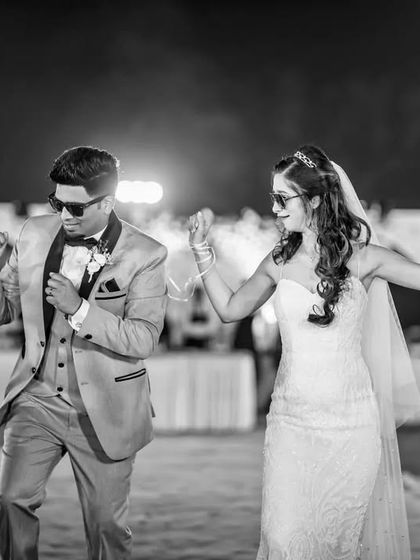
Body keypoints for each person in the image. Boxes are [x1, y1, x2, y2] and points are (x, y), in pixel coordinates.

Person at [188, 145, 420, 559]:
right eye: (272, 198)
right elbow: (229, 310)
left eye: (282, 198)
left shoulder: (365, 258)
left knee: (337, 545)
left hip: (353, 424)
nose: (274, 208)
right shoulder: (277, 261)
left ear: (313, 200)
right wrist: (200, 250)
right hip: (292, 423)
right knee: (283, 540)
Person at [0, 146, 167, 560]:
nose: (64, 215)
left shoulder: (147, 254)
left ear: (107, 202)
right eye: (57, 203)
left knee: (106, 526)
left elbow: (144, 338)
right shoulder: (32, 233)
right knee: (9, 501)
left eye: (75, 207)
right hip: (35, 399)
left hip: (105, 409)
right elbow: (4, 308)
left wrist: (80, 309)